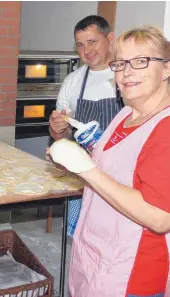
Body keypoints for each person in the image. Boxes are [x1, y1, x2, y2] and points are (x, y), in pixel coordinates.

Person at [49, 26, 170, 297]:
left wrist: (86, 168)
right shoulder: (126, 113)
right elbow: (115, 166)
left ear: (167, 69)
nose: (126, 72)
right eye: (120, 63)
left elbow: (160, 218)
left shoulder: (166, 127)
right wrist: (75, 157)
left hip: (132, 271)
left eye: (141, 61)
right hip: (95, 252)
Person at [49, 15, 124, 237]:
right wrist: (57, 128)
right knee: (82, 238)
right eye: (80, 45)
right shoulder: (73, 81)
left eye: (92, 42)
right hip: (84, 176)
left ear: (109, 38)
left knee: (116, 240)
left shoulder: (126, 75)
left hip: (121, 175)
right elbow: (61, 135)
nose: (86, 50)